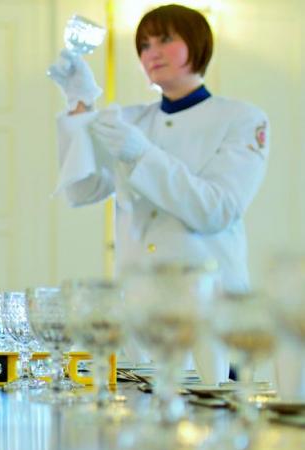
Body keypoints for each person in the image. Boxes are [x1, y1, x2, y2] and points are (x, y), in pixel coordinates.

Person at [48, 5, 269, 383]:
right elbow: (82, 189)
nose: (152, 52)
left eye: (165, 39)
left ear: (198, 44)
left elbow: (217, 210)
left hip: (211, 313)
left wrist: (143, 155)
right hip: (140, 311)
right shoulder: (131, 119)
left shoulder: (241, 118)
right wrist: (78, 106)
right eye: (144, 44)